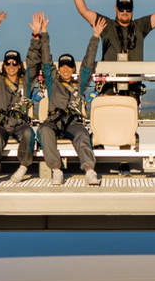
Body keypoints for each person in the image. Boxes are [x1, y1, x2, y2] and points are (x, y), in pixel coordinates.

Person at [37, 14, 105, 186]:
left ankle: (89, 170)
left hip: (72, 121)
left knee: (82, 134)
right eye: (62, 66)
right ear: (59, 68)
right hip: (54, 120)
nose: (65, 70)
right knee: (44, 130)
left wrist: (95, 37)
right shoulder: (52, 82)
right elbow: (46, 60)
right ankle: (56, 170)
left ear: (73, 68)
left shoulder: (79, 84)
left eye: (69, 66)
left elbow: (88, 63)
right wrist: (44, 33)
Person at [0, 12, 44, 185]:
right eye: (7, 63)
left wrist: (36, 36)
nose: (11, 66)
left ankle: (23, 167)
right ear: (4, 66)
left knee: (28, 133)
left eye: (14, 63)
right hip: (1, 123)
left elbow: (34, 59)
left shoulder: (27, 81)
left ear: (19, 65)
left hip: (20, 124)